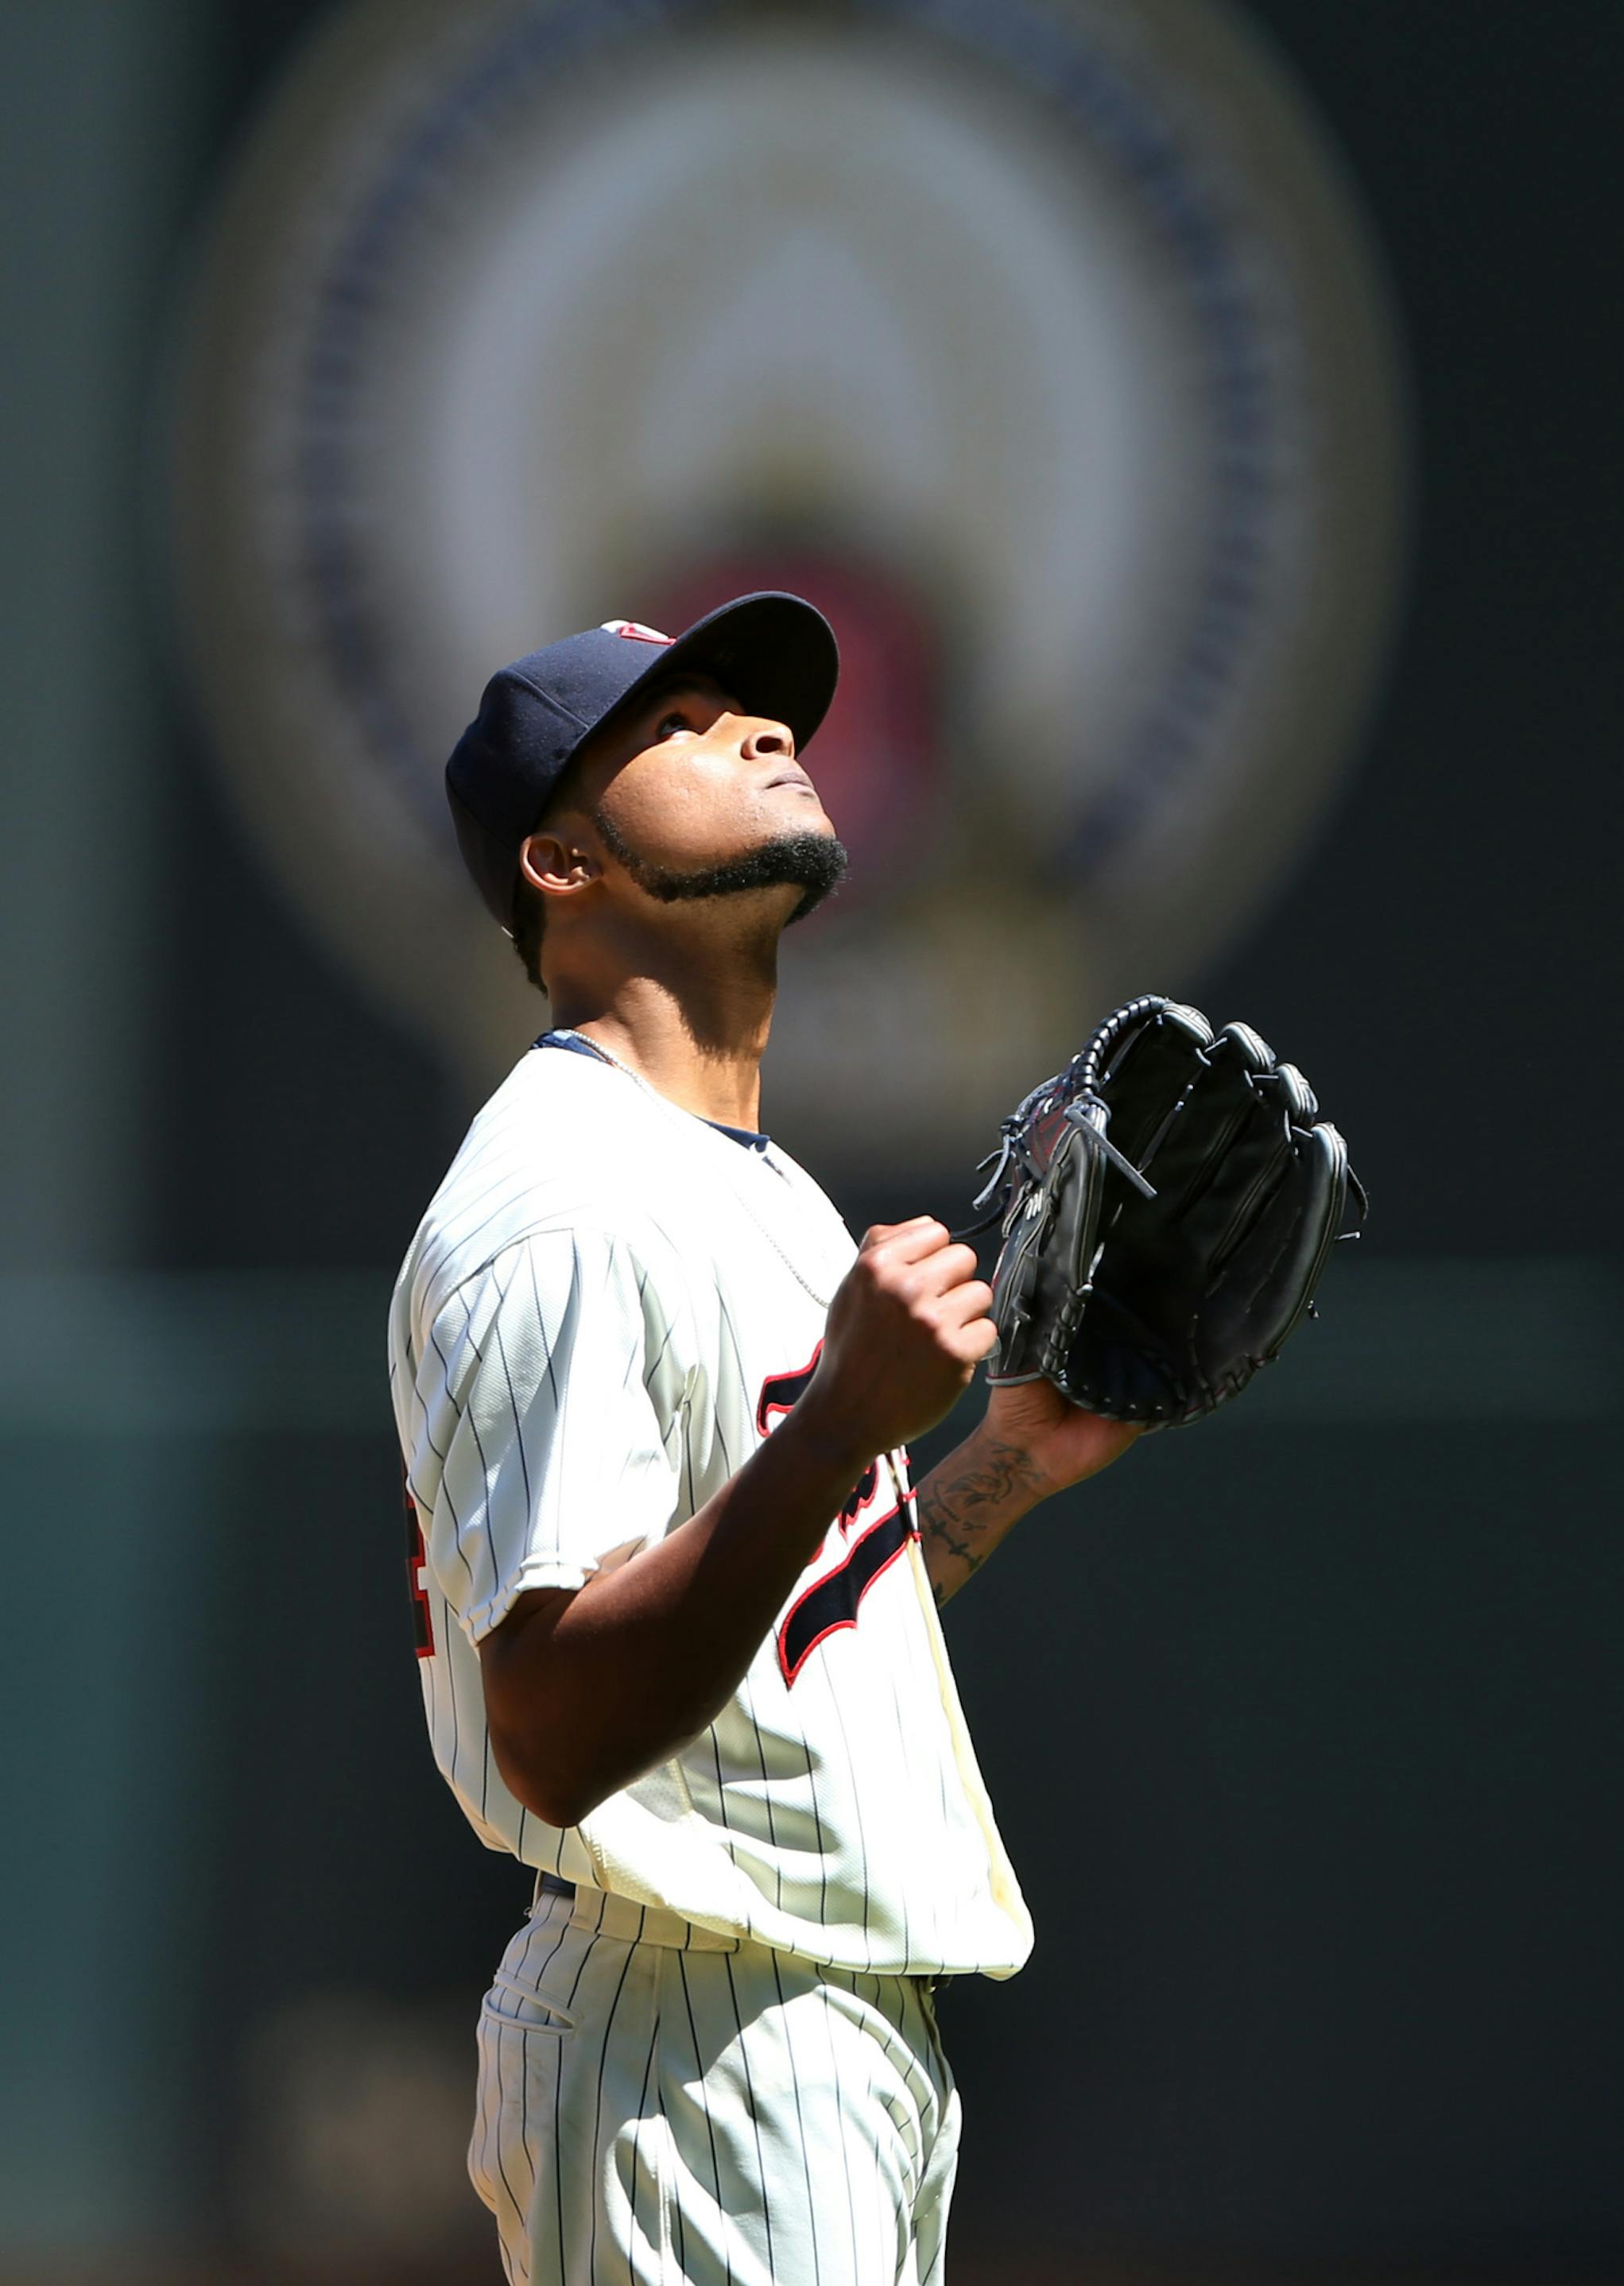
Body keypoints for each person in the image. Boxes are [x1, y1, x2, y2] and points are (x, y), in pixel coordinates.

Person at [388, 591, 1143, 2284]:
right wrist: (831, 1439)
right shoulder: (569, 1204)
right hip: (697, 2051)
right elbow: (560, 1724)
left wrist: (1010, 1457)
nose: (764, 730)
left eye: (764, 708)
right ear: (561, 863)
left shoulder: (734, 1177)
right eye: (680, 721)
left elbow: (784, 1651)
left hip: (801, 2039)